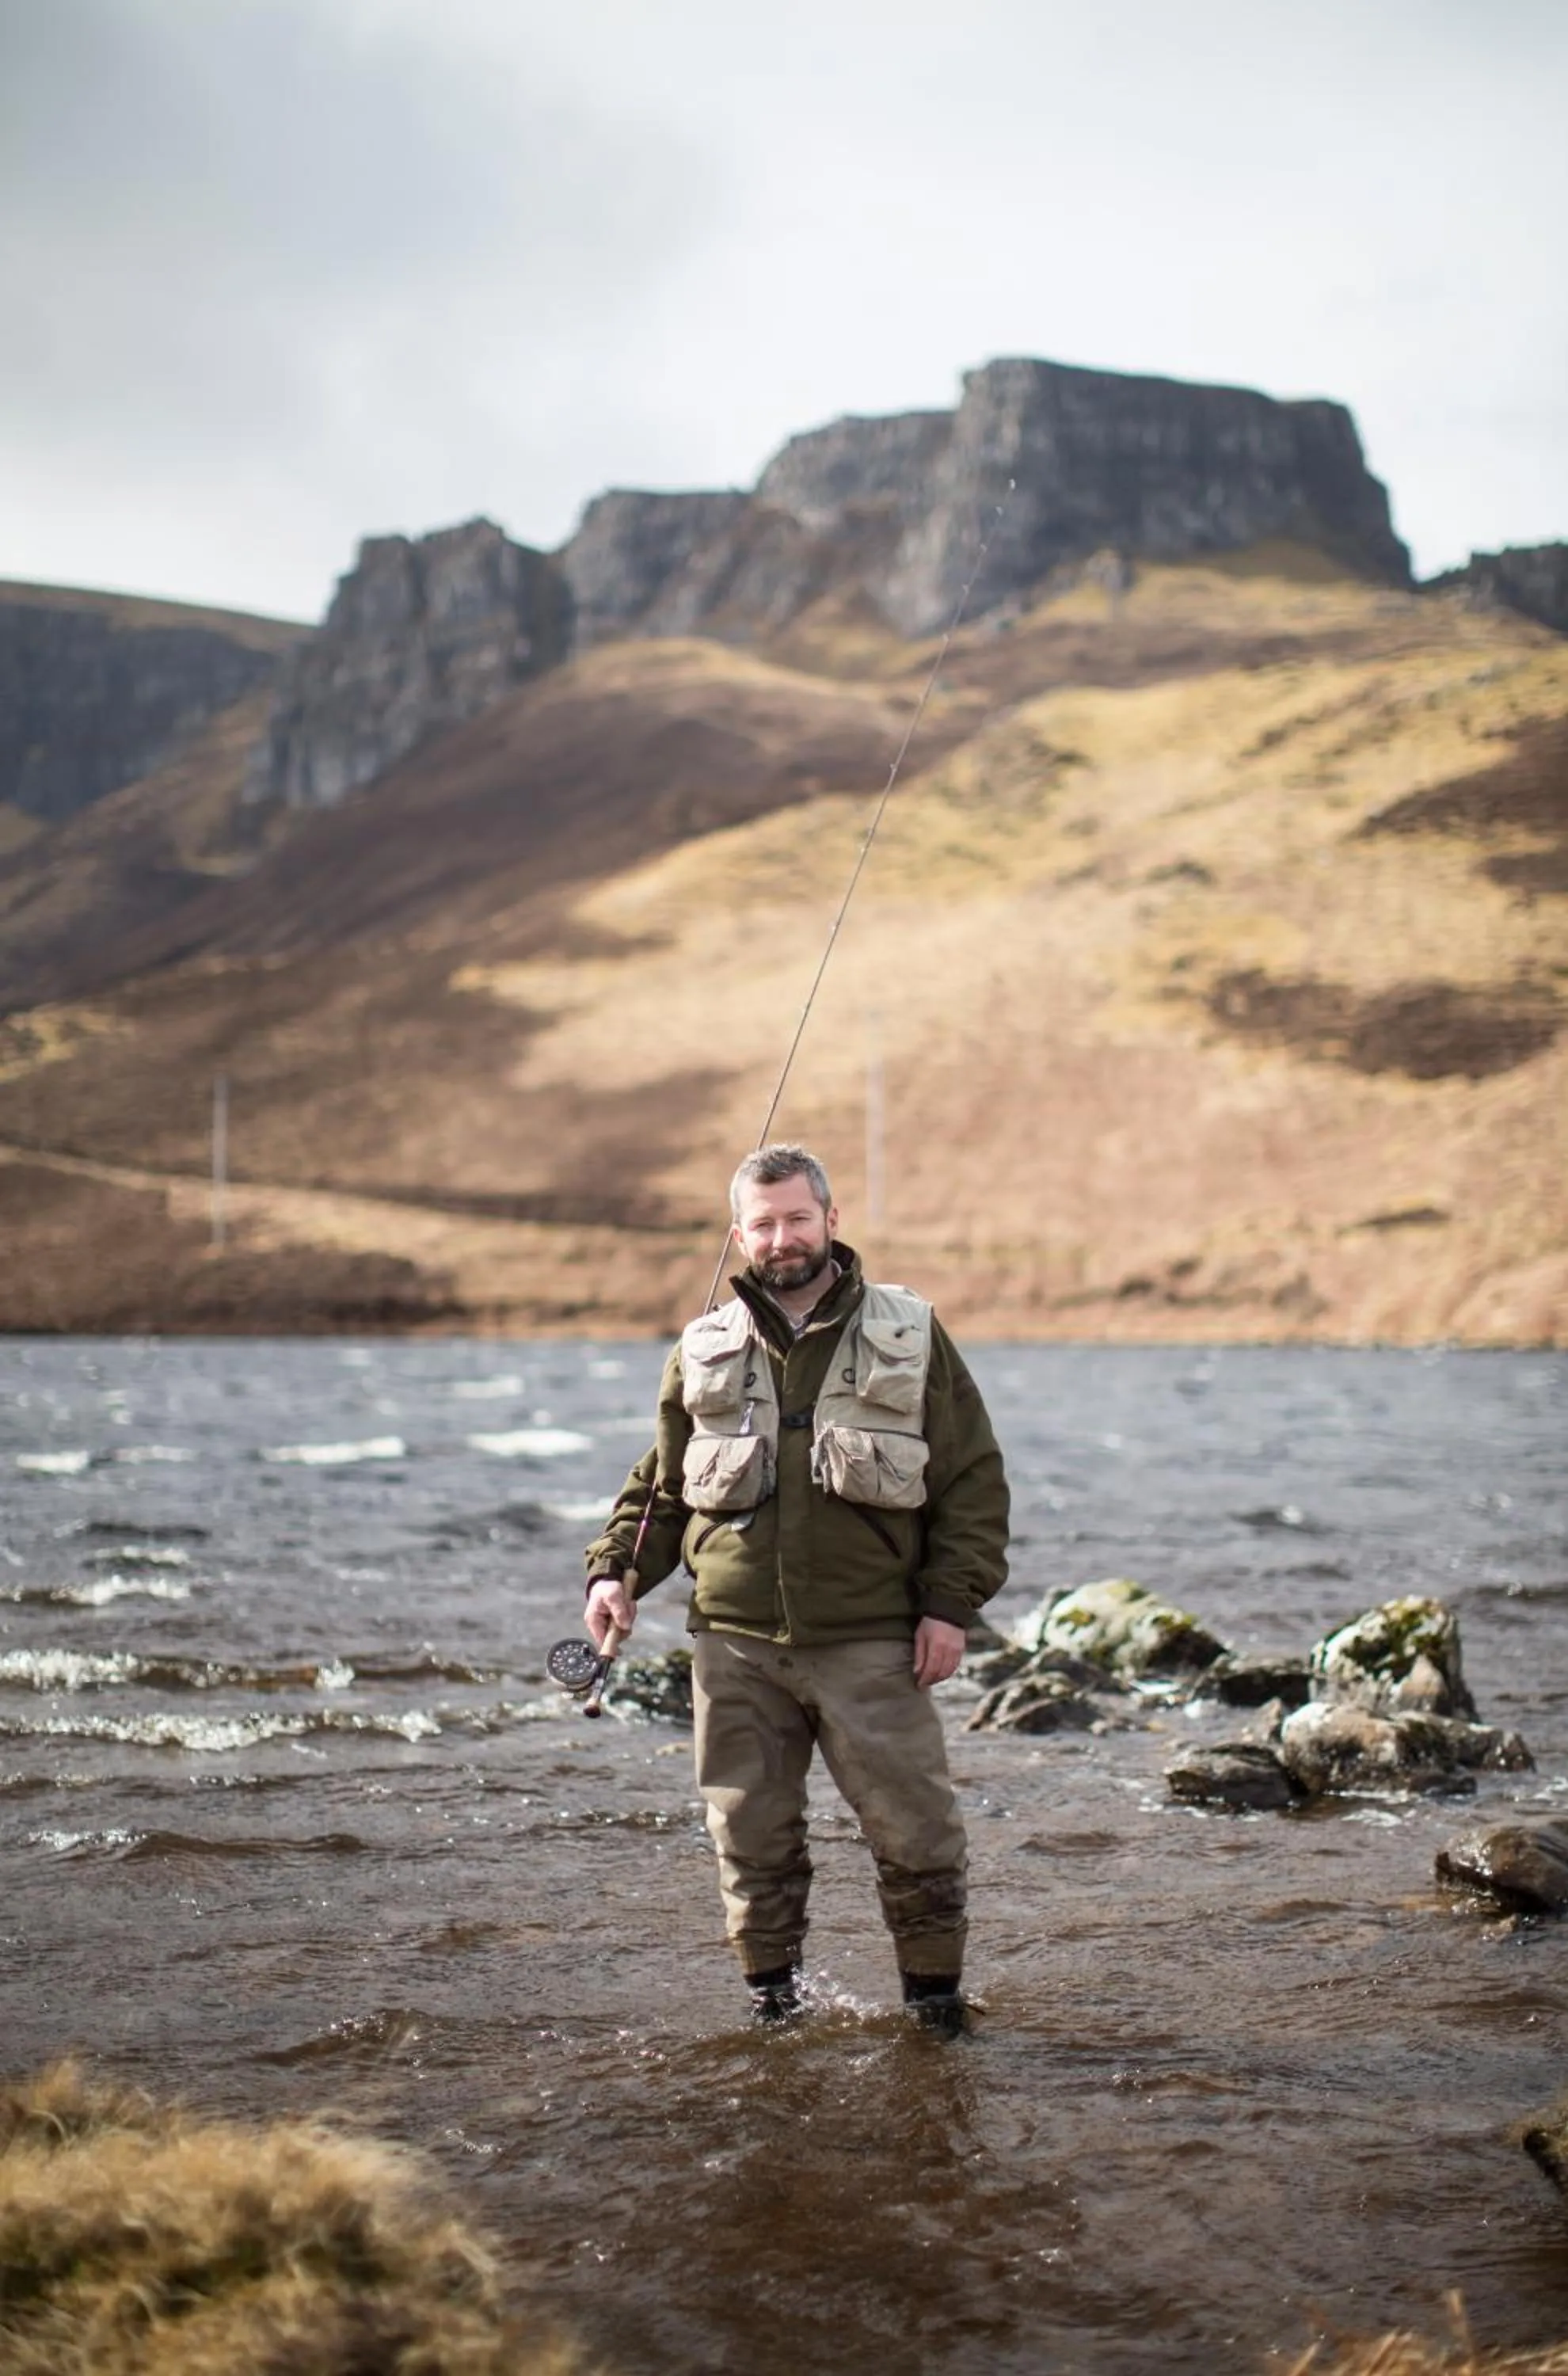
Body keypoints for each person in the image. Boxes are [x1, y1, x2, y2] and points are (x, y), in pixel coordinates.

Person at [582, 1142, 1009, 2033]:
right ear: (740, 1235)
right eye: (764, 1223)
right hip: (733, 1648)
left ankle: (935, 2010)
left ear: (832, 1220)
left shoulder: (911, 1329)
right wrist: (616, 1573)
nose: (783, 1238)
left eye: (798, 1218)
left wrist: (948, 1608)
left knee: (919, 1838)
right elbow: (660, 1485)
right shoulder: (703, 1346)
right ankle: (774, 2009)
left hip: (871, 1641)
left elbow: (972, 1481)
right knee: (750, 1843)